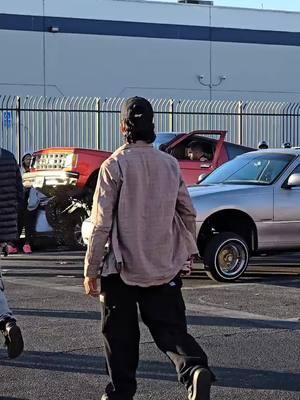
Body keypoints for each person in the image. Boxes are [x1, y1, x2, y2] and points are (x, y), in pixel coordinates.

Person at [84, 97, 215, 400]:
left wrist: (91, 270)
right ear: (152, 127)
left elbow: (102, 224)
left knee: (120, 336)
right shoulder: (169, 164)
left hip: (121, 267)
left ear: (122, 128)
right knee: (170, 329)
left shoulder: (113, 165)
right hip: (163, 263)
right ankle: (194, 370)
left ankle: (120, 393)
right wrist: (185, 252)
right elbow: (187, 212)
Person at [0, 147, 24, 358]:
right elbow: (19, 193)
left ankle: (6, 321)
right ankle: (7, 321)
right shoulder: (8, 157)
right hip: (4, 228)